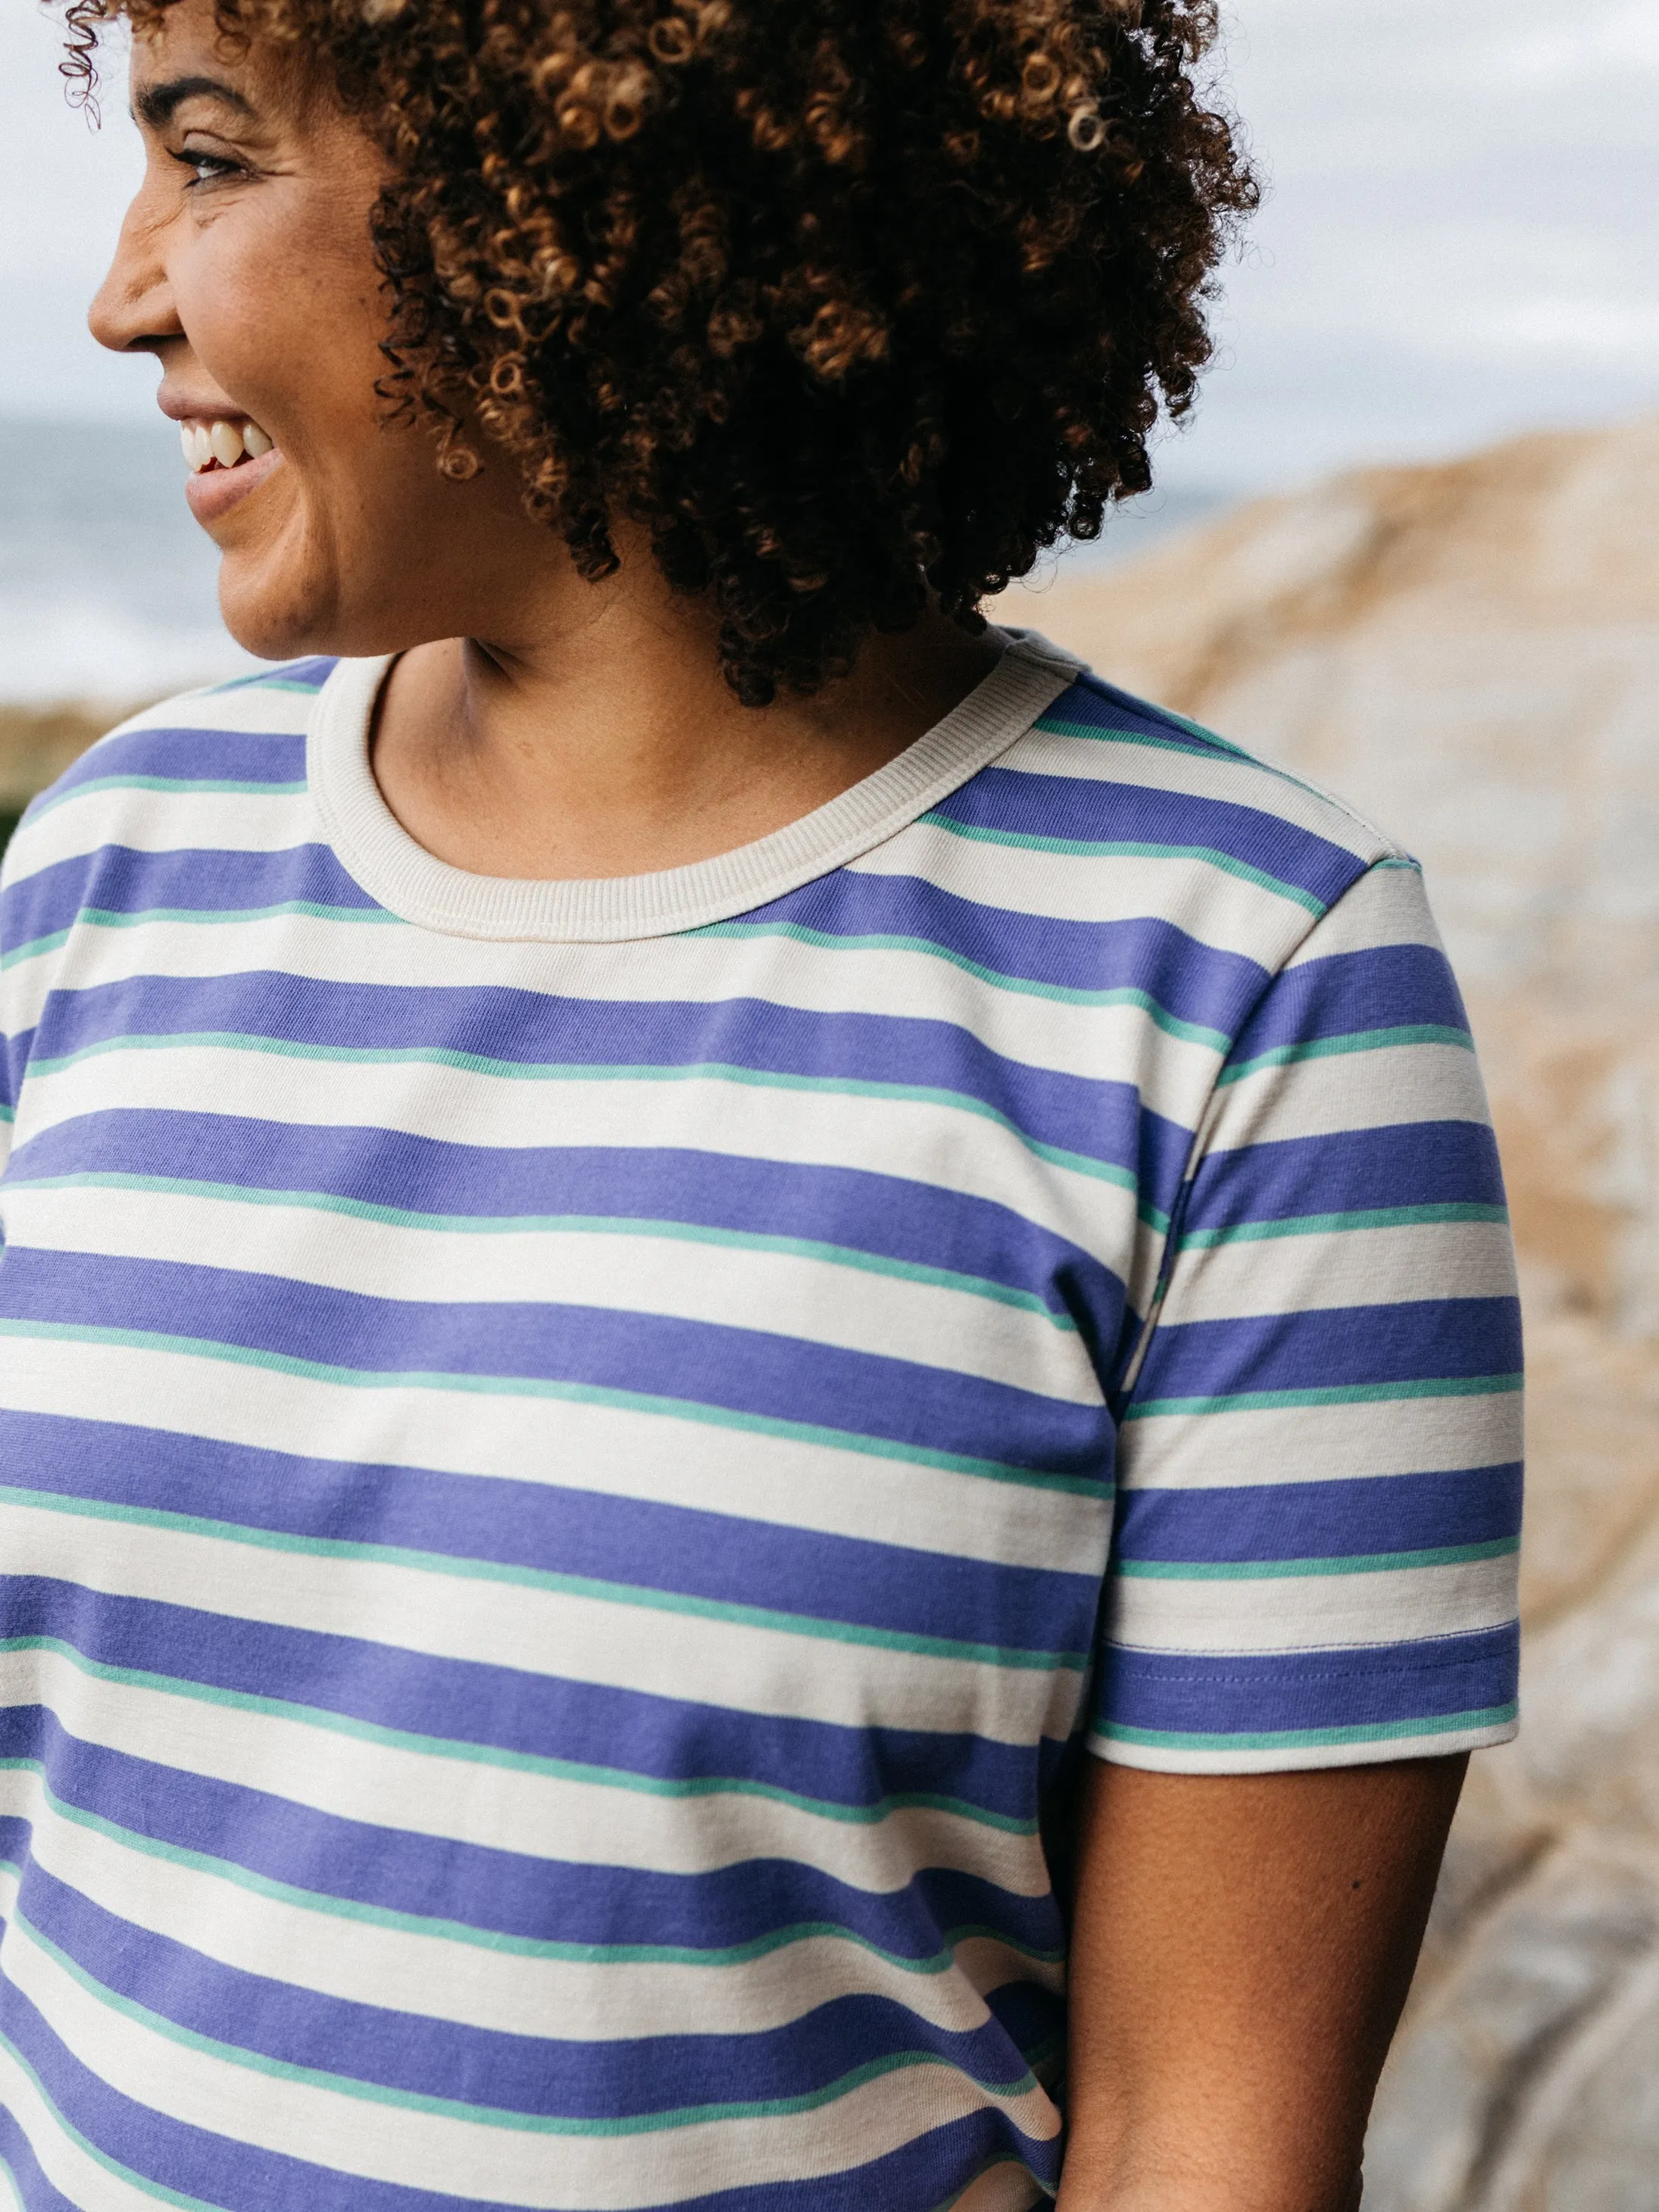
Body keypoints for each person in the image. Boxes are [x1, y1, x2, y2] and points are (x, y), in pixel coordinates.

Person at [0, 2, 1522, 2207]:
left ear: (577, 200)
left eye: (211, 158)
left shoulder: (1244, 986)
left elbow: (1208, 2148)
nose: (123, 284)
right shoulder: (107, 864)